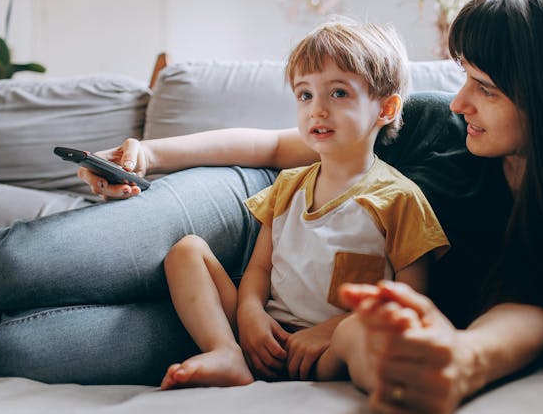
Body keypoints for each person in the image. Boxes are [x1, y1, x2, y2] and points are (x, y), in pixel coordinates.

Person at [0, 0, 543, 412]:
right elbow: (275, 147)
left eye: (481, 87)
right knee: (6, 270)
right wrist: (149, 152)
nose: (457, 103)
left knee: (6, 347)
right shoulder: (434, 129)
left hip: (288, 313)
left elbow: (534, 306)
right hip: (265, 200)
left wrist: (465, 358)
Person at [158, 21, 448, 389]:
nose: (317, 110)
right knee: (187, 251)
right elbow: (260, 269)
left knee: (363, 330)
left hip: (327, 351)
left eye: (338, 93)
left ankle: (390, 384)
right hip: (265, 338)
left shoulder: (399, 198)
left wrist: (331, 330)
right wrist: (249, 314)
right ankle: (225, 353)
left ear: (386, 108)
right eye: (305, 95)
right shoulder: (288, 185)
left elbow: (411, 297)